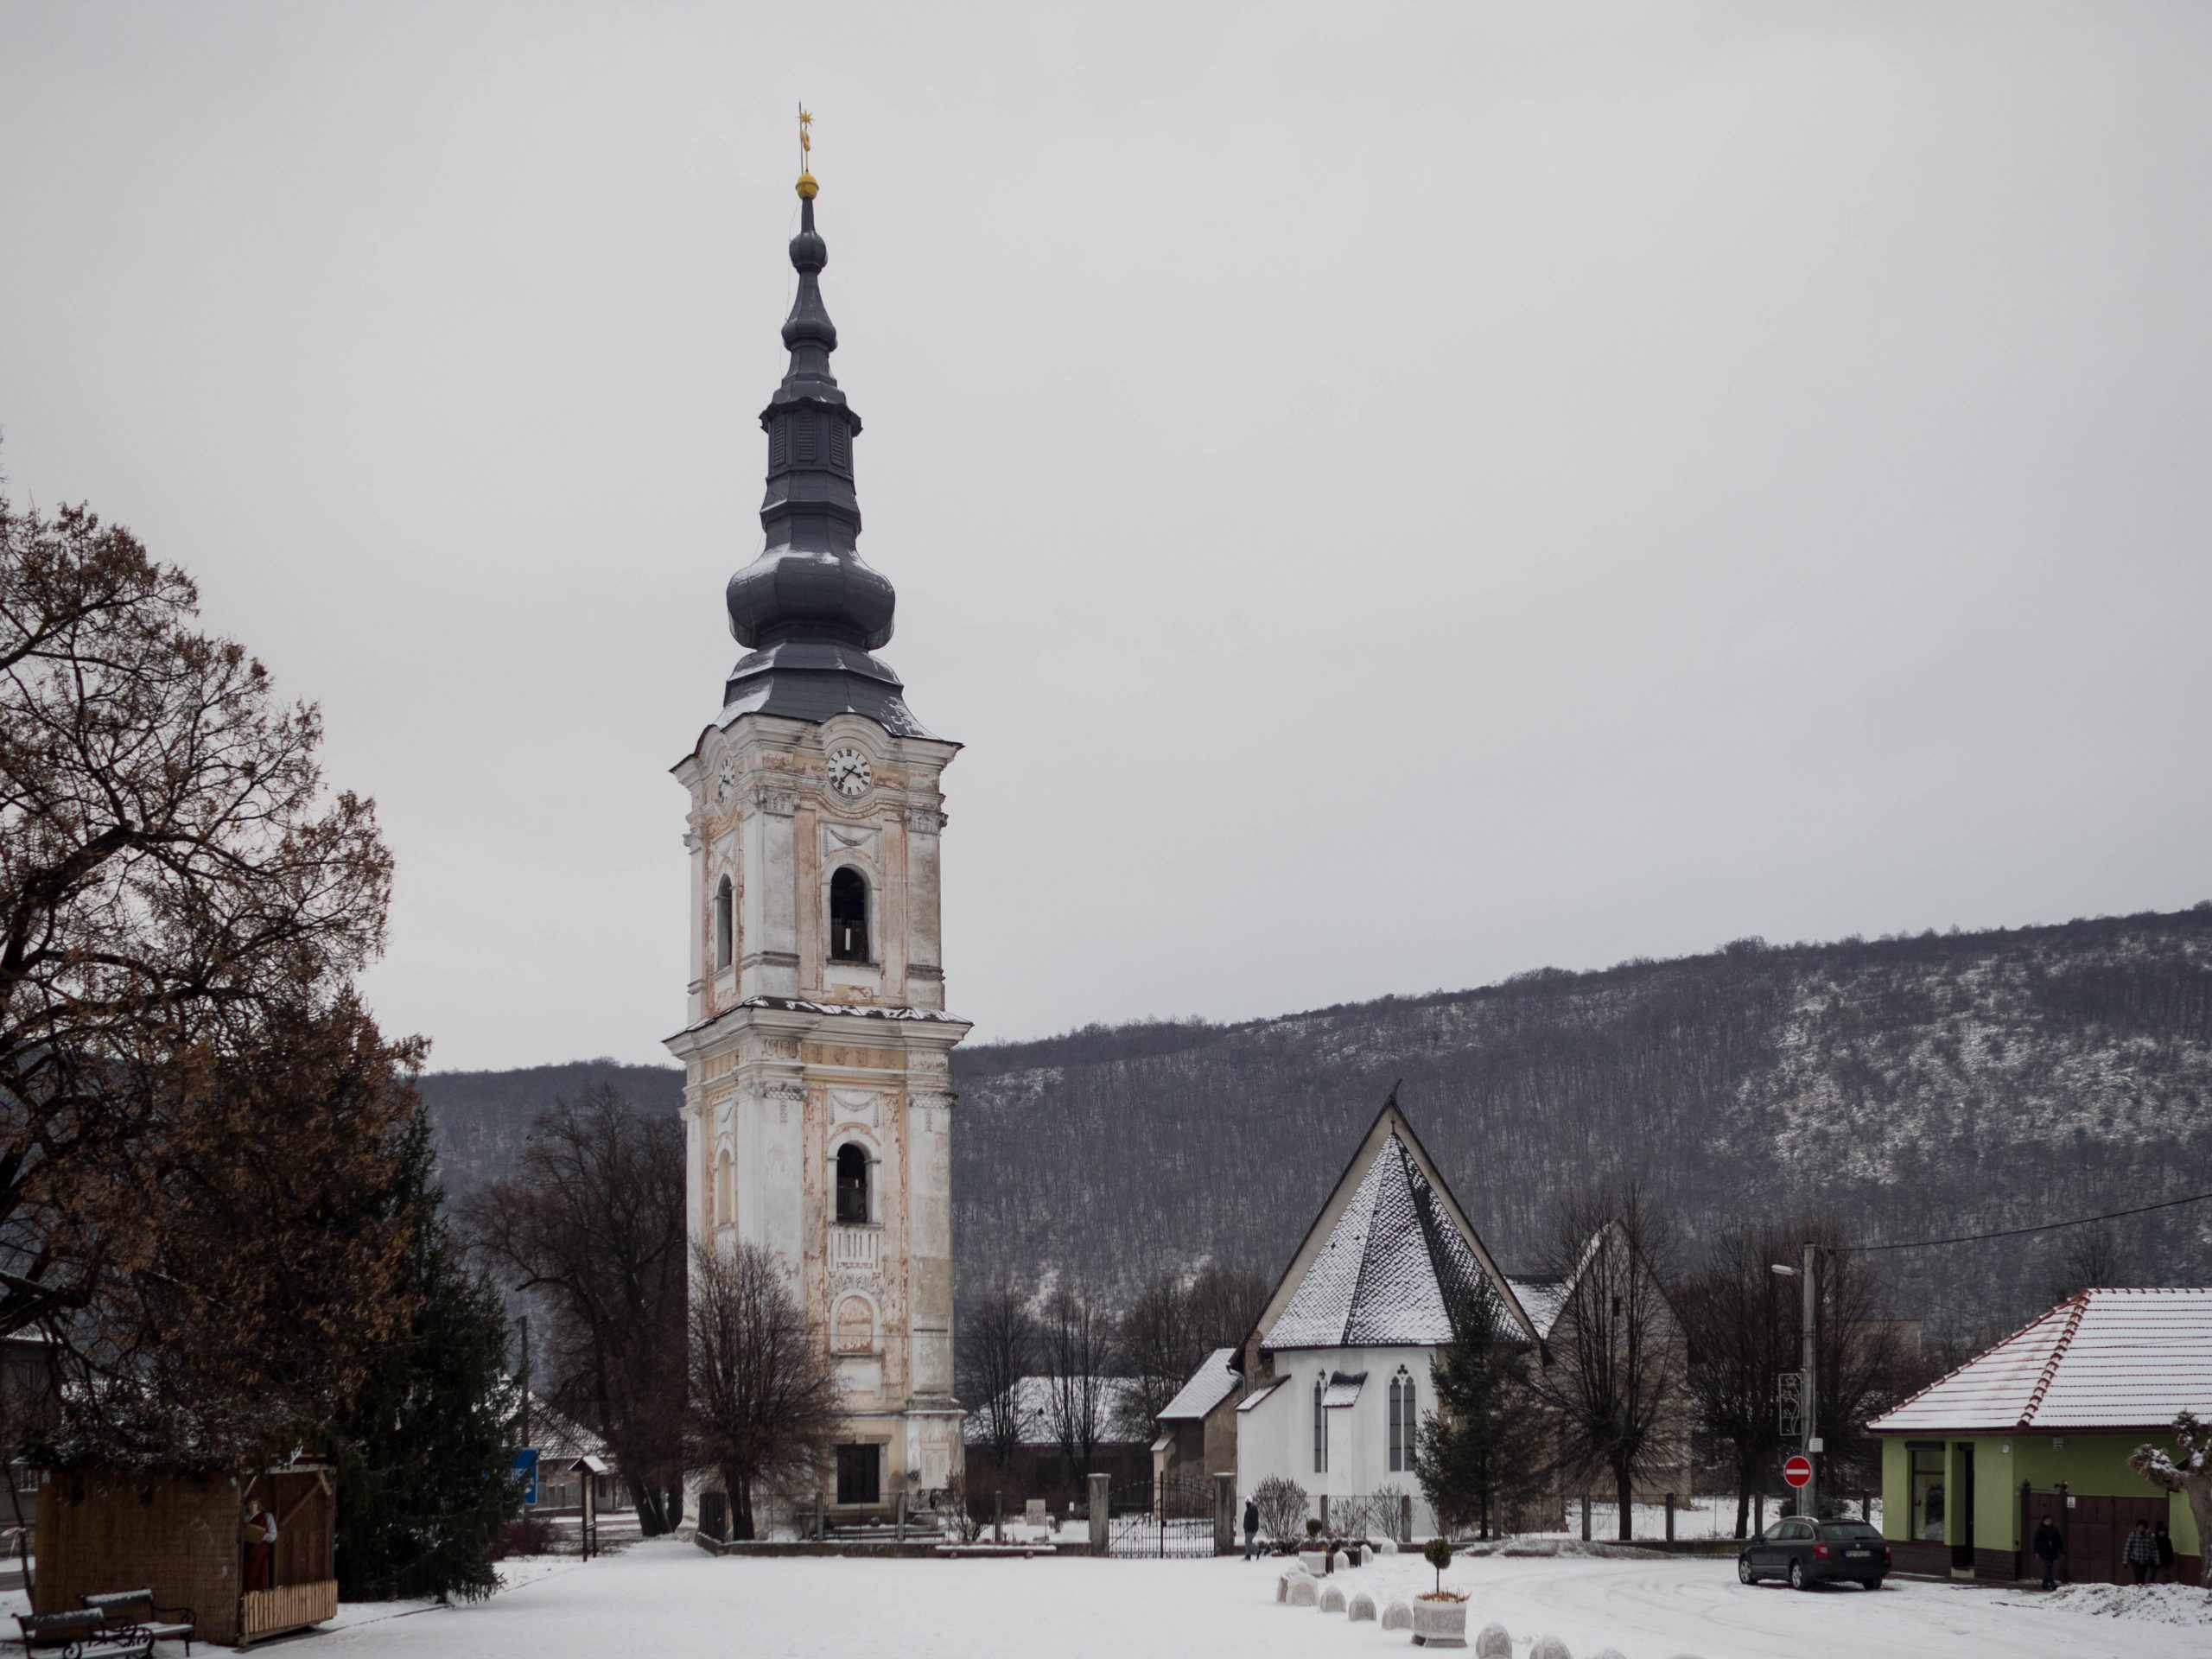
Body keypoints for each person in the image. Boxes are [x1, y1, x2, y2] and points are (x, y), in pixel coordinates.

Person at [243, 1503, 278, 1593]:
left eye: (253, 1503)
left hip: (260, 1553)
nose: (251, 1506)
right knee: (247, 1578)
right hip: (247, 1552)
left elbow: (273, 1536)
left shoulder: (266, 1516)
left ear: (257, 1504)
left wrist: (259, 1535)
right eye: (249, 1504)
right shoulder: (245, 1518)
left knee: (260, 1576)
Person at [2031, 1512, 2065, 1589]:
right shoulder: (2040, 1530)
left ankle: (2045, 1582)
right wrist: (2036, 1551)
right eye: (2047, 1521)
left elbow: (2059, 1541)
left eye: (2049, 1521)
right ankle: (2051, 1582)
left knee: (2049, 1566)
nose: (2049, 1522)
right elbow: (2036, 1541)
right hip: (2044, 1551)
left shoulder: (2054, 1529)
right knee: (2048, 1566)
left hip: (2052, 1551)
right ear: (2043, 1521)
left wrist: (2062, 1551)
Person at [2122, 1518, 2157, 1585]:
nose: (2141, 1529)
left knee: (2143, 1576)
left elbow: (2154, 1549)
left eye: (2142, 1527)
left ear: (2145, 1528)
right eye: (2139, 1527)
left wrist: (2155, 1561)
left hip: (2145, 1560)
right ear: (2137, 1527)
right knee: (2137, 1575)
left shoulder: (2150, 1537)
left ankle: (2141, 1590)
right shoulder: (2133, 1535)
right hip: (2135, 1559)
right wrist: (2125, 1561)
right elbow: (2127, 1548)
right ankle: (2138, 1587)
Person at [2153, 1520, 2176, 1584]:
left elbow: (2170, 1550)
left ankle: (2169, 1585)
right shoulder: (2154, 1540)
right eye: (2161, 1531)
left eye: (2163, 1532)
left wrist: (2171, 1560)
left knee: (2166, 1574)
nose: (2162, 1533)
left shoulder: (2167, 1540)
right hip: (2154, 1560)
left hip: (2164, 1560)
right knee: (2152, 1575)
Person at [1243, 1495, 1261, 1561]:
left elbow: (1253, 1520)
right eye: (1246, 1502)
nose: (1246, 1504)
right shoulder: (1250, 1509)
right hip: (1248, 1529)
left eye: (1248, 1502)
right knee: (1247, 1542)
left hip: (1251, 1529)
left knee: (1248, 1542)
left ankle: (1257, 1551)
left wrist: (1248, 1527)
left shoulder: (1253, 1509)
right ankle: (1248, 1555)